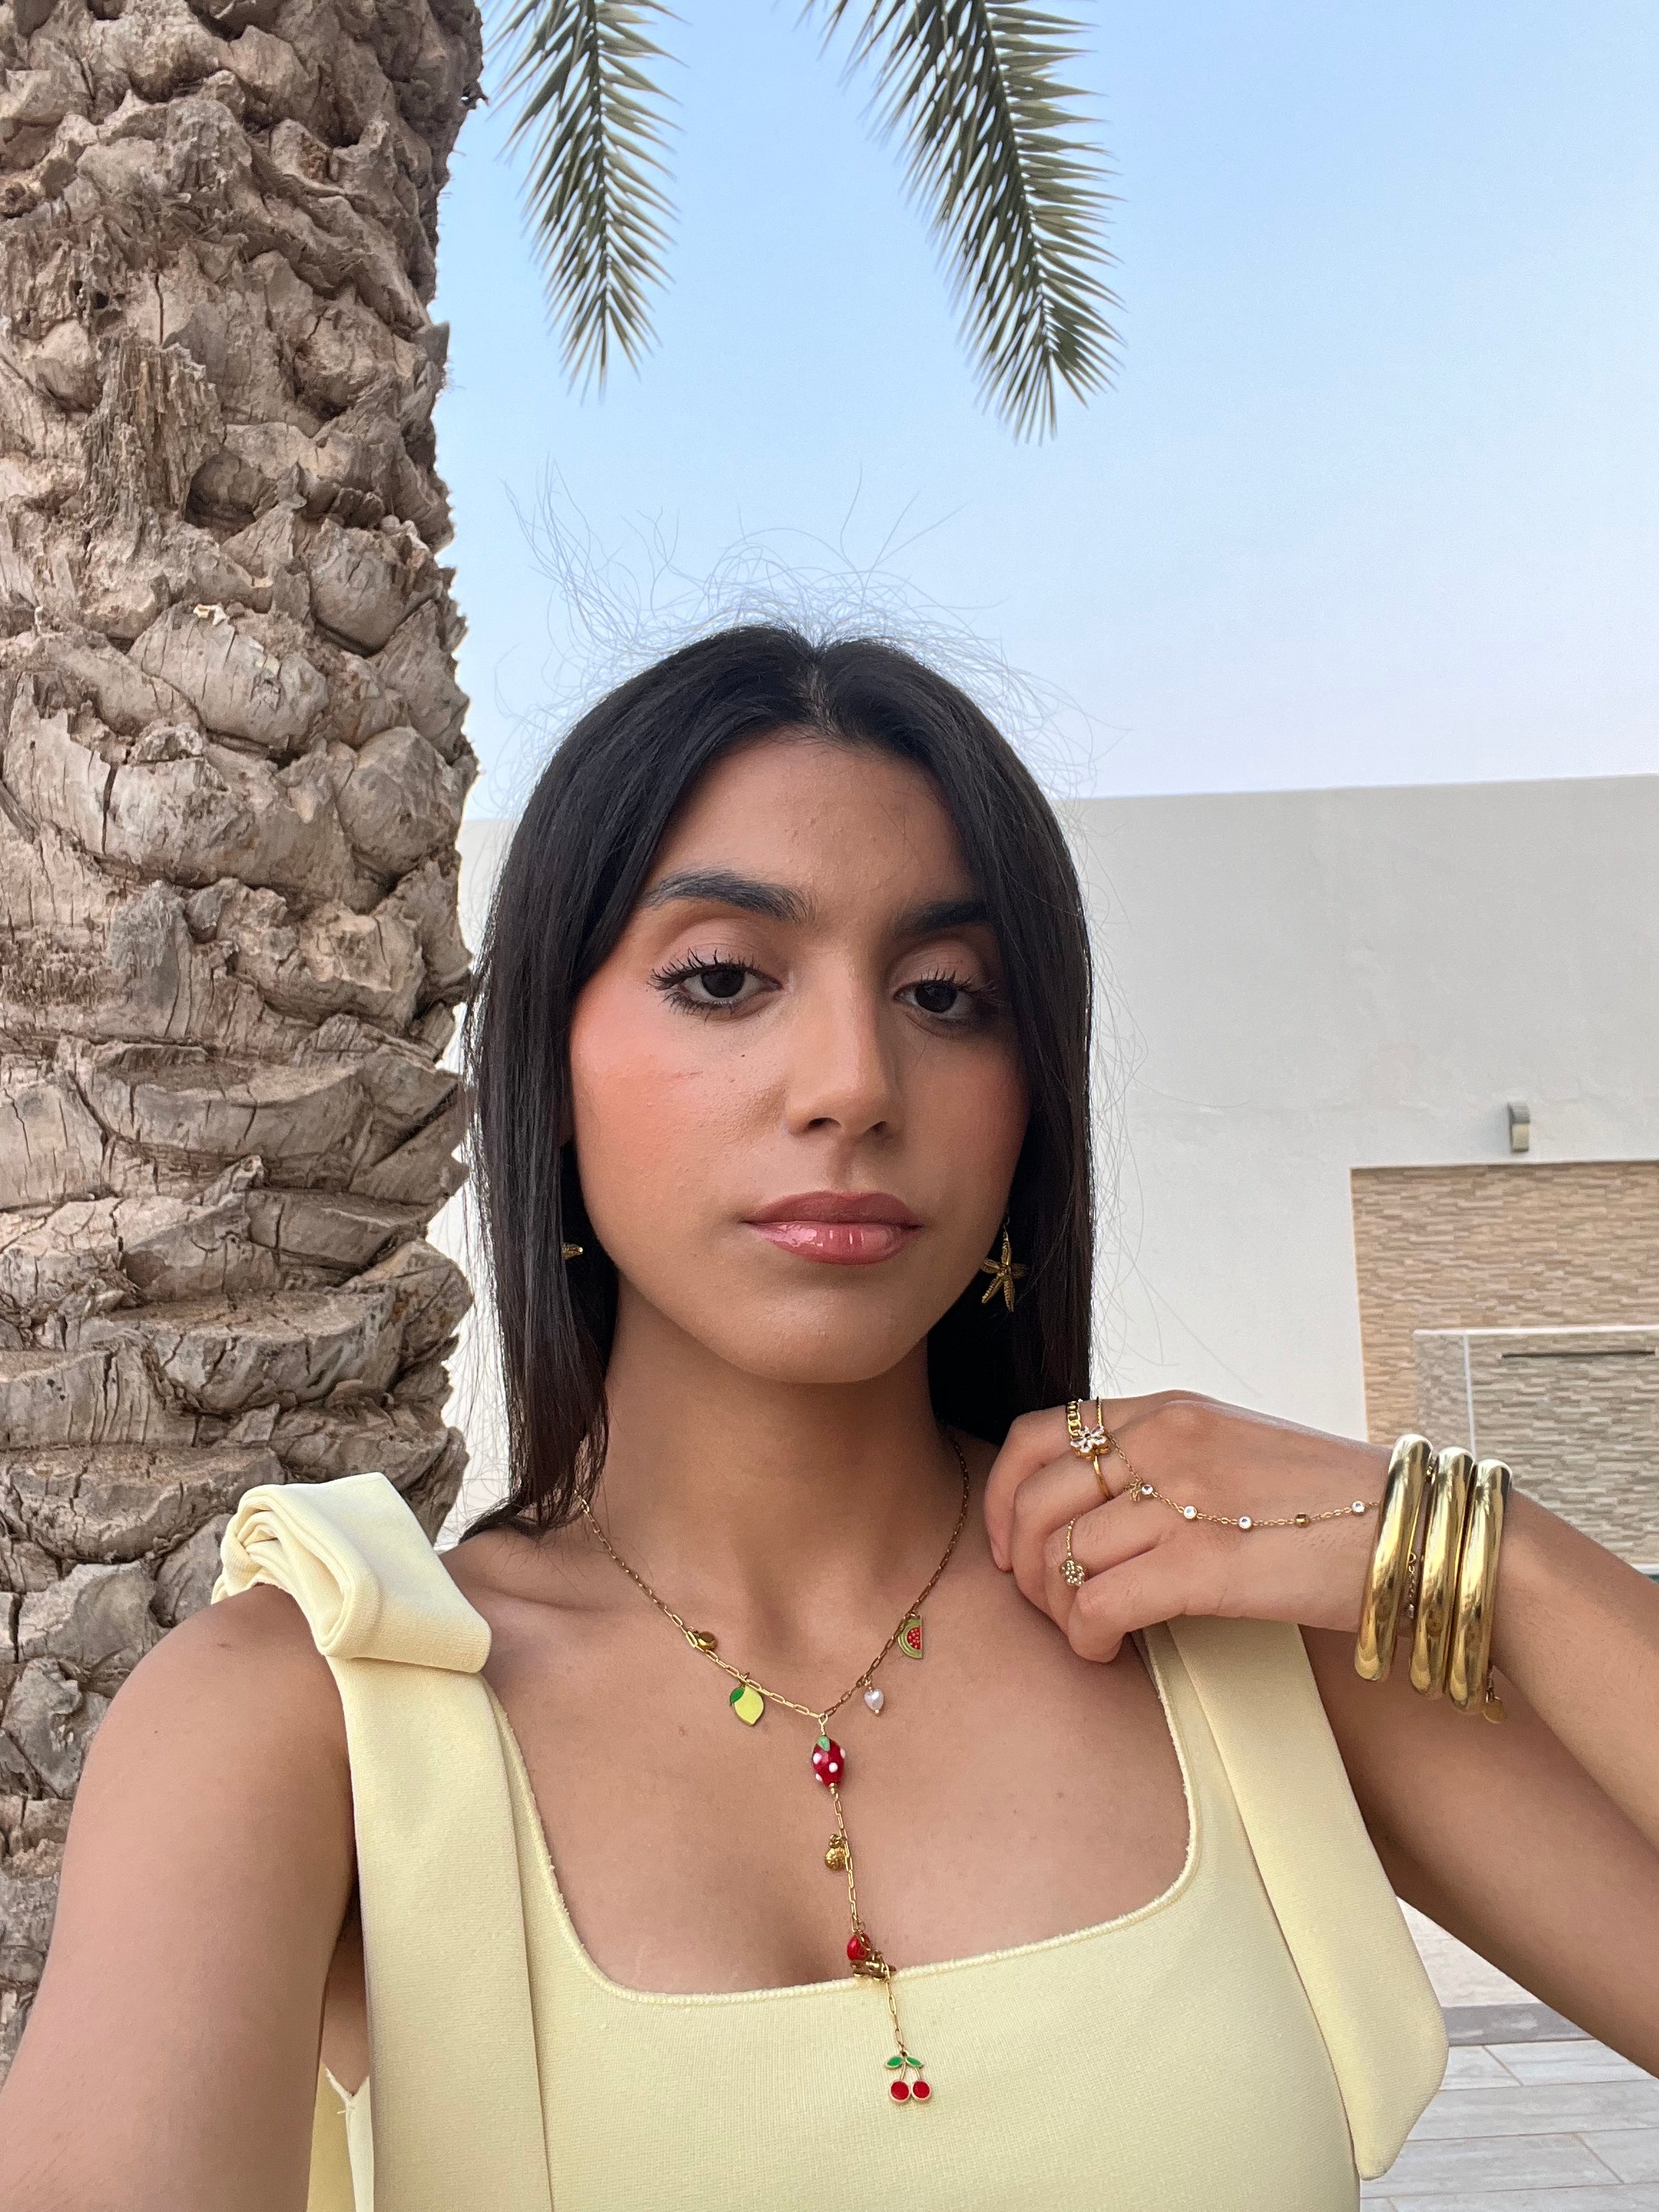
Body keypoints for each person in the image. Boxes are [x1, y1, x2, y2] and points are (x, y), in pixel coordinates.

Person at [2, 627, 1656, 2212]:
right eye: (725, 977)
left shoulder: (1235, 1648)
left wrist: (1487, 1549)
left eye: (945, 994)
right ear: (549, 1072)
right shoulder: (302, 1720)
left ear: (1031, 1097)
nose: (856, 1079)